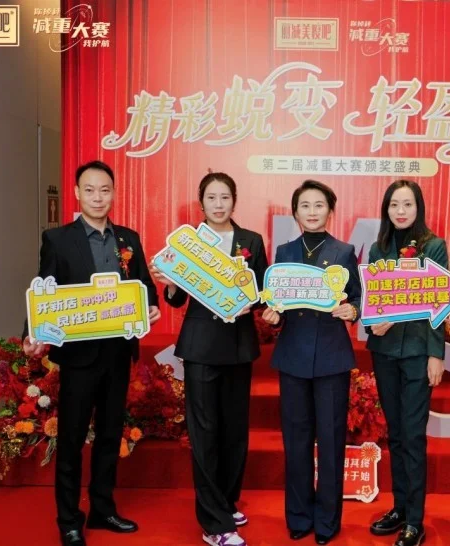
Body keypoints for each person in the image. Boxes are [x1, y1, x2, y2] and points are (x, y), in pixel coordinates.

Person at [23, 160, 160, 546]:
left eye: (104, 190)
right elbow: (44, 291)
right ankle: (68, 519)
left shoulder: (128, 239)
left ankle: (103, 509)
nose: (97, 197)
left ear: (114, 193)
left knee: (110, 435)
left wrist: (150, 305)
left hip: (118, 354)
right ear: (76, 193)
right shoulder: (58, 239)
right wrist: (32, 332)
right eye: (89, 190)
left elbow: (144, 285)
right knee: (71, 439)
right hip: (79, 357)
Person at [150, 172, 268, 546]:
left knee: (235, 431)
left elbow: (261, 292)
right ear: (201, 203)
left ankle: (226, 501)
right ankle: (215, 524)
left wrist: (254, 301)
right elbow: (177, 300)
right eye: (212, 198)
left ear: (234, 200)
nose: (218, 204)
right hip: (200, 346)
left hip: (238, 345)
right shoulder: (191, 242)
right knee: (204, 432)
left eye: (225, 197)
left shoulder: (251, 241)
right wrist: (171, 284)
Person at [261, 179, 361, 545]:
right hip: (293, 356)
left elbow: (358, 297)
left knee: (331, 442)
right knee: (296, 440)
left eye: (319, 205)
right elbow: (276, 300)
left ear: (330, 211)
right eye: (305, 205)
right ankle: (299, 516)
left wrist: (353, 310)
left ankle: (327, 521)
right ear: (295, 212)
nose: (313, 211)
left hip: (332, 356)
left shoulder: (344, 251)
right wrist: (273, 315)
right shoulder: (284, 251)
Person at [366, 180, 447, 546]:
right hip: (384, 352)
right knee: (396, 434)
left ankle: (415, 519)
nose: (400, 211)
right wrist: (373, 321)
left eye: (408, 204)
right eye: (394, 205)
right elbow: (371, 298)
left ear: (419, 208)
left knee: (413, 436)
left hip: (416, 352)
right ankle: (399, 507)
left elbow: (438, 302)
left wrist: (435, 353)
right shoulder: (378, 248)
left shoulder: (434, 246)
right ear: (386, 209)